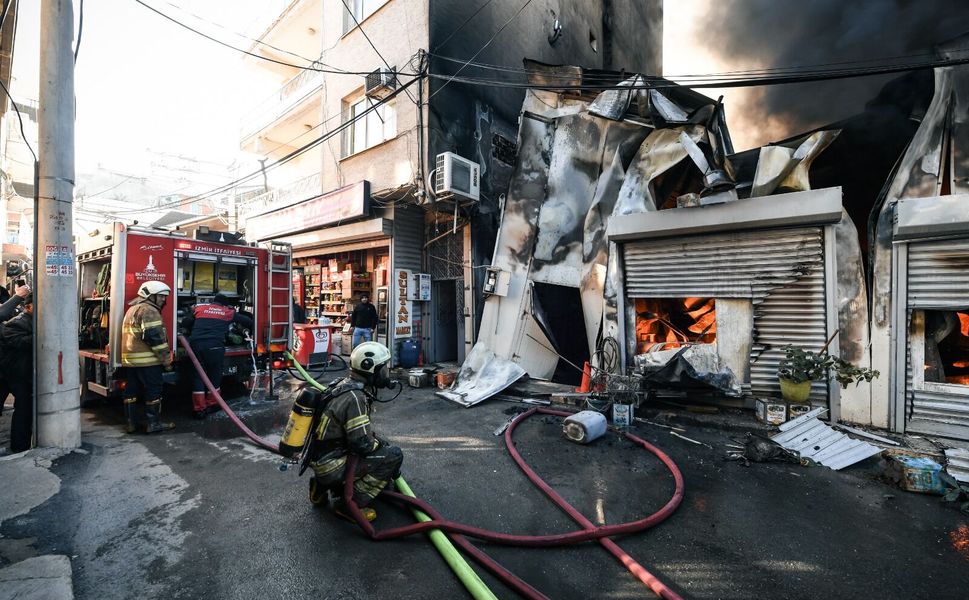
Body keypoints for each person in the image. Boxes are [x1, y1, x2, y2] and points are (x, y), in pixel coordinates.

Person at [306, 341, 402, 522]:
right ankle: (350, 505)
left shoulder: (342, 384)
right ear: (370, 368)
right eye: (383, 369)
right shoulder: (355, 397)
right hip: (332, 466)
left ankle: (319, 488)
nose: (385, 374)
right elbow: (362, 445)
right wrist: (382, 447)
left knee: (380, 445)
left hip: (321, 459)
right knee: (393, 455)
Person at [181, 293, 253, 418]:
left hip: (196, 346)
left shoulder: (200, 309)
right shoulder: (227, 312)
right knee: (214, 375)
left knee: (198, 376)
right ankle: (212, 404)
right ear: (225, 304)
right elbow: (247, 321)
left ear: (214, 302)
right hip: (215, 347)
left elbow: (186, 322)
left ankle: (199, 409)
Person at [121, 281, 175, 434]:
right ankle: (154, 423)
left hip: (131, 362)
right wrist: (166, 361)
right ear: (149, 296)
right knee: (154, 390)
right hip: (148, 362)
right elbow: (155, 339)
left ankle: (131, 424)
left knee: (131, 391)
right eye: (161, 296)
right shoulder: (149, 311)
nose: (164, 300)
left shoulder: (132, 309)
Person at [1, 292, 33, 452]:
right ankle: (20, 446)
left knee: (24, 408)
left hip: (19, 372)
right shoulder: (17, 322)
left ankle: (21, 445)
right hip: (12, 372)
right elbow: (16, 341)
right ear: (28, 307)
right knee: (23, 408)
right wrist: (39, 336)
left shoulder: (33, 321)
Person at [0, 282, 29, 417]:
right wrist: (18, 296)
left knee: (23, 406)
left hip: (7, 366)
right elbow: (2, 313)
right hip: (6, 367)